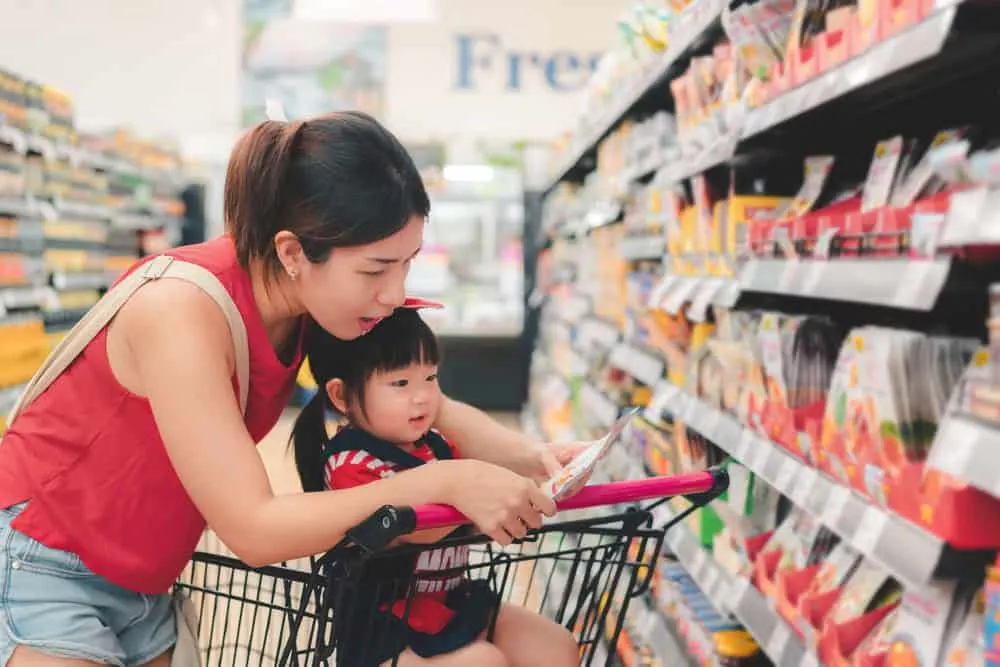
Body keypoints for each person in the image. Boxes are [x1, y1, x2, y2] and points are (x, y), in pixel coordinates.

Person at [0, 111, 584, 667]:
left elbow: (433, 404)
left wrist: (536, 458)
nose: (393, 293)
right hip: (44, 561)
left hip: (147, 575)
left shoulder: (318, 302)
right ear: (292, 252)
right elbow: (253, 527)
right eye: (375, 269)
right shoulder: (180, 311)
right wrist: (440, 480)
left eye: (406, 265)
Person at [292, 307, 580, 667]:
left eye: (430, 378)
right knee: (483, 662)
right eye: (401, 383)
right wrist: (485, 494)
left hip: (451, 606)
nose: (423, 396)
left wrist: (549, 480)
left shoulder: (438, 445)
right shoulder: (350, 465)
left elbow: (481, 507)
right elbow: (422, 530)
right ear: (341, 395)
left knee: (555, 646)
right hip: (386, 631)